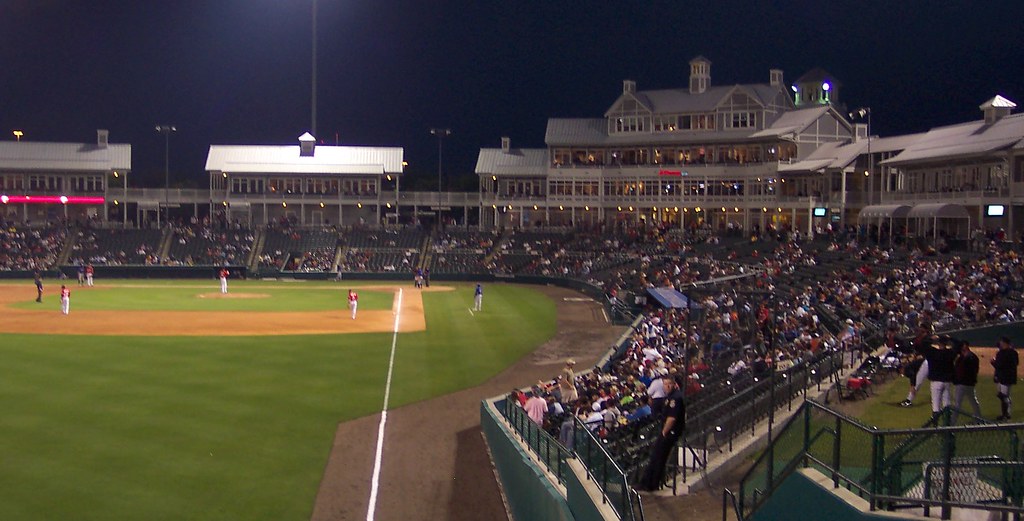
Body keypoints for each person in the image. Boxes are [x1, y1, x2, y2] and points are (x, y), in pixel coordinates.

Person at [639, 376, 685, 492]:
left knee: (658, 457)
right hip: (668, 430)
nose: (667, 386)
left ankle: (650, 484)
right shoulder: (669, 396)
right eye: (665, 384)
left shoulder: (676, 398)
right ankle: (650, 483)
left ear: (674, 384)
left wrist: (664, 432)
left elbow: (672, 418)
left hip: (670, 432)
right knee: (657, 457)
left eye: (669, 384)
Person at [951, 340, 981, 423]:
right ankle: (979, 419)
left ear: (965, 346)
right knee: (973, 401)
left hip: (963, 383)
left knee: (957, 404)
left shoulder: (969, 357)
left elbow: (962, 371)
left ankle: (952, 423)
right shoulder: (964, 357)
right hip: (969, 383)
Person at [992, 337, 1019, 421]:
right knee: (1005, 396)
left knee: (1003, 396)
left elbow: (999, 366)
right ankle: (1007, 413)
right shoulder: (1013, 352)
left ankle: (1005, 415)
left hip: (1004, 377)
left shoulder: (1003, 353)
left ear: (1004, 343)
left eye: (1001, 342)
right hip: (1008, 377)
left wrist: (993, 362)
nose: (1000, 344)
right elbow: (1016, 363)